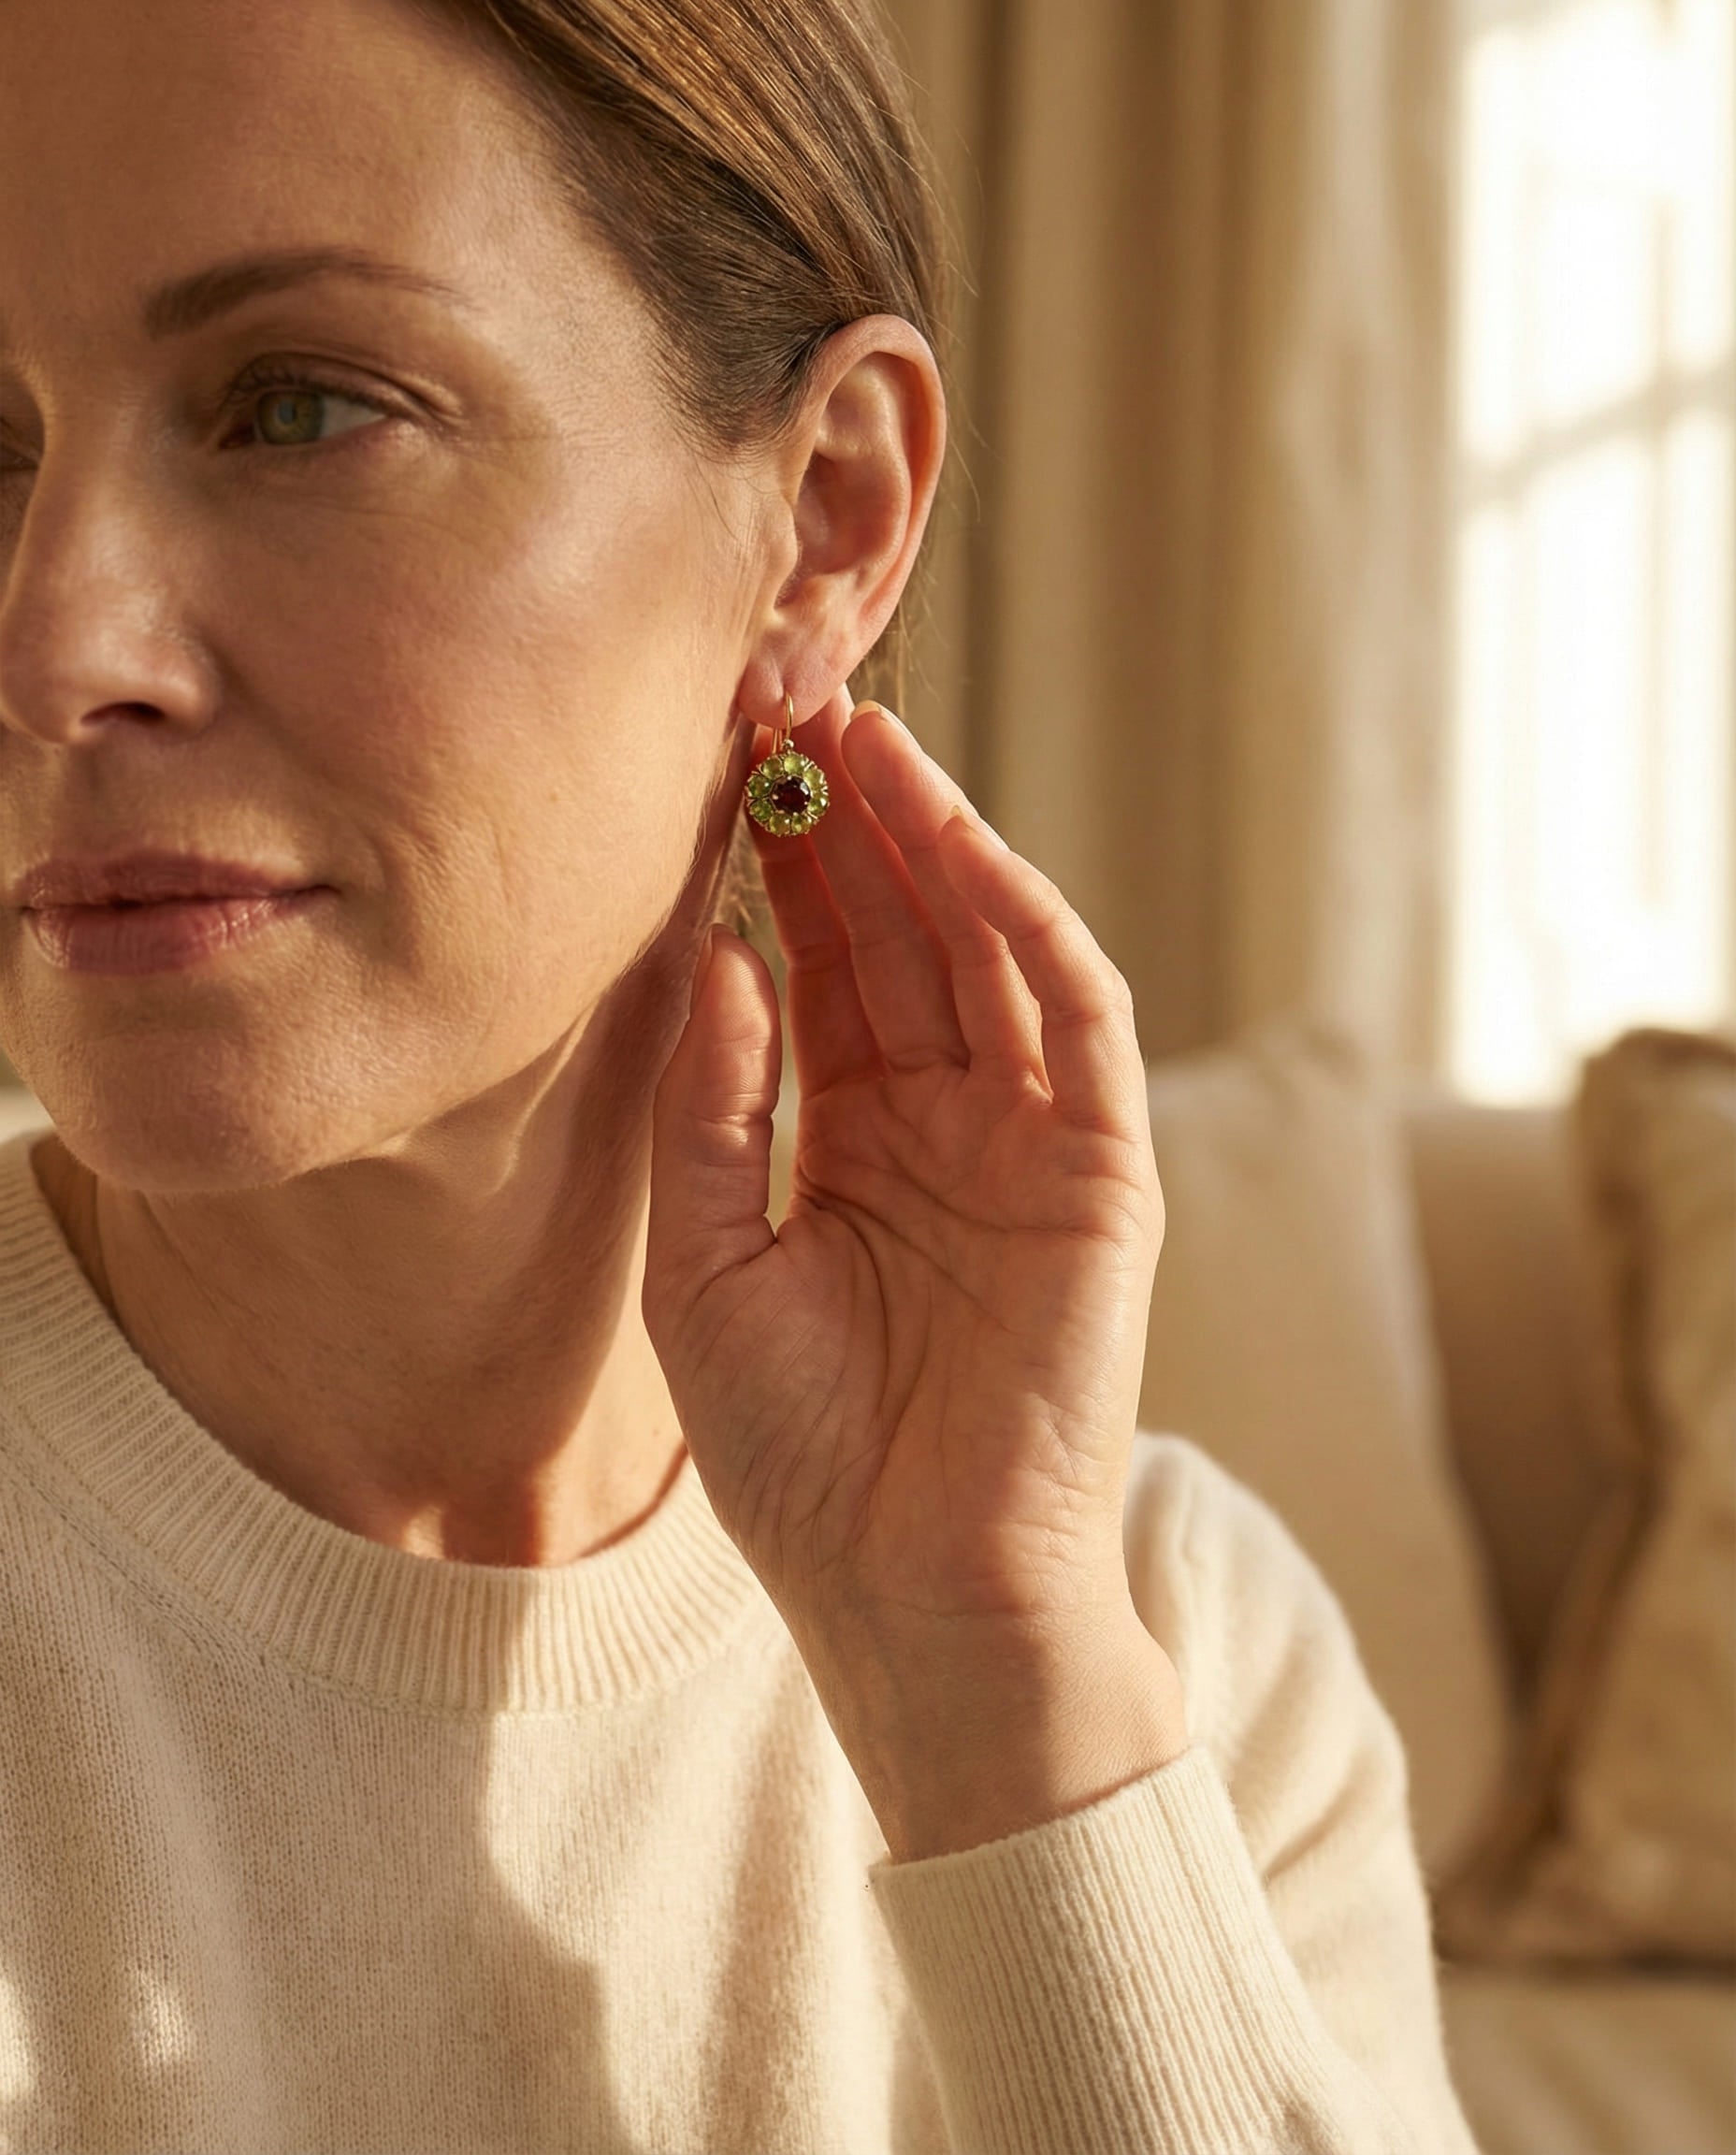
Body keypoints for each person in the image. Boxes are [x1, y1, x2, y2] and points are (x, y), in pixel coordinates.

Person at [0, 0, 1483, 2147]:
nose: (55, 648)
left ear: (823, 523)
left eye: (297, 406)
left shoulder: (1183, 1681)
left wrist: (985, 1697)